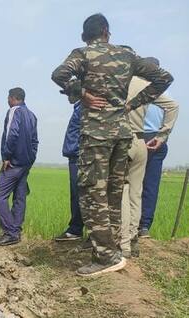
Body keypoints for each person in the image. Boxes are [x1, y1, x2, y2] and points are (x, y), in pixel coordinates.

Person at [51, 13, 173, 276]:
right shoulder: (127, 55)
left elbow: (59, 74)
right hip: (122, 133)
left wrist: (82, 94)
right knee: (114, 192)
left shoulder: (83, 54)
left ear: (86, 35)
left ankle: (105, 256)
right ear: (106, 31)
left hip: (97, 134)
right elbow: (164, 77)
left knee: (92, 194)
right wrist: (134, 103)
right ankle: (115, 249)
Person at [119, 63, 178, 254]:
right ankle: (136, 235)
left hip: (121, 141)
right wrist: (163, 135)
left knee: (122, 191)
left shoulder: (115, 80)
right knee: (138, 191)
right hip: (141, 141)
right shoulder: (145, 85)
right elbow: (173, 105)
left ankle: (124, 242)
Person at [136, 59, 179, 239]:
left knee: (129, 185)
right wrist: (162, 136)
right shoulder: (164, 90)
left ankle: (130, 226)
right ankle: (144, 226)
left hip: (138, 137)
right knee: (150, 185)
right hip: (157, 138)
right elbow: (172, 109)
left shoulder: (136, 87)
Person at [0, 88, 38, 247]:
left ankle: (10, 232)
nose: (7, 100)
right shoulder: (32, 115)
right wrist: (31, 159)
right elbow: (35, 141)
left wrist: (6, 156)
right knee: (20, 197)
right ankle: (16, 230)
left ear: (12, 98)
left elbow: (12, 134)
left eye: (8, 97)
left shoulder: (14, 111)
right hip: (25, 163)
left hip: (13, 163)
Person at [55, 101, 85, 241]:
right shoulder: (79, 106)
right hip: (75, 155)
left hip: (80, 156)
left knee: (82, 194)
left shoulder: (86, 106)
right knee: (76, 195)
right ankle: (76, 229)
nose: (67, 97)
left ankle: (76, 230)